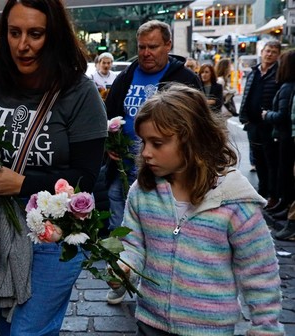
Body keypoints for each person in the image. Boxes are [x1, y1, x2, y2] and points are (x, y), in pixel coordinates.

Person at [0, 0, 107, 333]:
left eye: (36, 34)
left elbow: (85, 178)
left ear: (55, 35)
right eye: (14, 32)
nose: (23, 45)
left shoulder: (79, 93)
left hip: (52, 234)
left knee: (25, 331)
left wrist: (21, 184)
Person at [107, 84, 284, 335]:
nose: (146, 152)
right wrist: (123, 267)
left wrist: (266, 327)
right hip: (150, 323)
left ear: (192, 141)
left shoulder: (234, 202)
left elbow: (259, 271)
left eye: (157, 143)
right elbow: (133, 244)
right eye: (144, 142)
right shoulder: (142, 192)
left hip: (209, 329)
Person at [103, 20, 200, 238]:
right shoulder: (125, 77)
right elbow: (108, 116)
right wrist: (108, 143)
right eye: (141, 47)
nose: (146, 53)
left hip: (166, 174)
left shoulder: (184, 79)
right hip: (122, 167)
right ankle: (122, 261)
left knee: (156, 227)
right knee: (119, 223)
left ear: (168, 45)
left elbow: (197, 127)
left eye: (153, 47)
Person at [239, 40, 281, 210]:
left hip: (269, 124)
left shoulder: (278, 73)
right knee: (258, 160)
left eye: (273, 52)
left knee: (271, 161)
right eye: (267, 51)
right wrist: (244, 118)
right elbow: (246, 95)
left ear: (278, 55)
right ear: (262, 51)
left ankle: (273, 195)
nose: (269, 54)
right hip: (253, 124)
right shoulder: (254, 72)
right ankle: (262, 192)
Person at [263, 50, 295, 220]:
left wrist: (266, 115)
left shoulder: (287, 88)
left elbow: (283, 115)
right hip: (287, 136)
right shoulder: (288, 87)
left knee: (285, 174)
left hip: (286, 137)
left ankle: (286, 205)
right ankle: (285, 205)